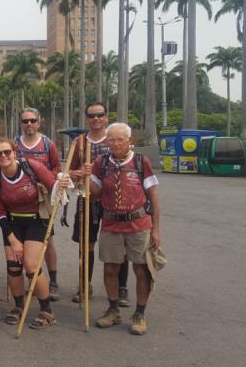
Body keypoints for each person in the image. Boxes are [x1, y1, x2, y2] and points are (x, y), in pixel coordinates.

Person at [0, 138, 71, 329]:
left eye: (7, 152)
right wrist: (13, 240)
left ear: (14, 153)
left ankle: (46, 310)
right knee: (14, 266)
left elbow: (54, 186)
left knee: (31, 265)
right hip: (12, 223)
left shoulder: (32, 167)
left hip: (36, 219)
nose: (3, 156)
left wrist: (62, 183)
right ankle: (18, 306)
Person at [89, 123, 161, 335]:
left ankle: (139, 313)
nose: (116, 143)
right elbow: (95, 194)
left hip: (139, 224)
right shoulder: (101, 163)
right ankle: (113, 310)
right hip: (111, 223)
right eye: (111, 139)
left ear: (130, 141)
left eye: (120, 139)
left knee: (141, 269)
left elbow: (154, 198)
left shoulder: (141, 162)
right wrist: (85, 177)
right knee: (110, 267)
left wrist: (156, 230)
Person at [67, 102, 131, 306]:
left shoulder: (115, 139)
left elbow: (130, 166)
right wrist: (78, 173)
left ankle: (122, 288)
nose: (95, 119)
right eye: (91, 115)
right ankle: (85, 285)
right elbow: (67, 171)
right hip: (88, 200)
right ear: (87, 118)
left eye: (99, 115)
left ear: (106, 117)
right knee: (87, 244)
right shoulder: (79, 142)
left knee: (120, 244)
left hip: (115, 201)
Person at [15, 108, 61, 301]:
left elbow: (57, 168)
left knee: (47, 241)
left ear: (39, 122)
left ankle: (53, 281)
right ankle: (33, 280)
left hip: (43, 200)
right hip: (19, 200)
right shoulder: (15, 144)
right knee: (24, 244)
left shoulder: (48, 144)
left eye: (33, 121)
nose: (29, 124)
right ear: (21, 124)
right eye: (25, 121)